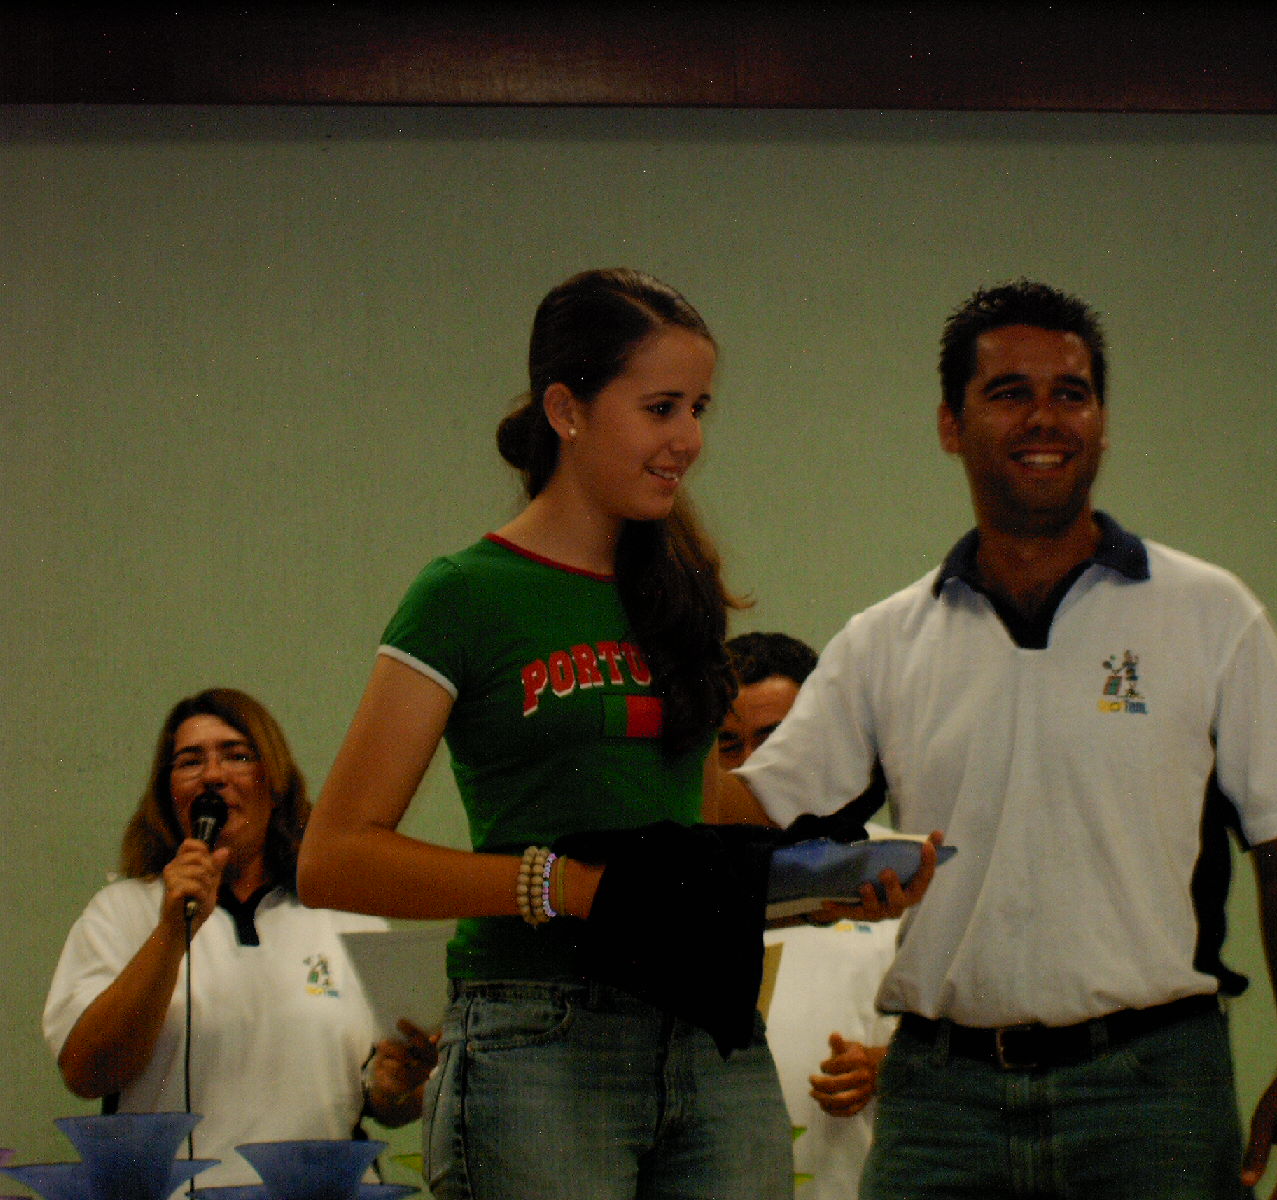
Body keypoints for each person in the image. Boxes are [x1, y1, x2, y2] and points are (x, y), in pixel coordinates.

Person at [298, 269, 928, 1200]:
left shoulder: (681, 591)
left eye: (699, 409)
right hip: (537, 1036)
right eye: (661, 408)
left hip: (712, 1032)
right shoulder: (465, 595)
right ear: (568, 410)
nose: (689, 440)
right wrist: (563, 886)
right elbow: (334, 858)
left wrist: (817, 884)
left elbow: (697, 810)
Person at [714, 281, 1277, 1200]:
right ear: (951, 423)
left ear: (1102, 422)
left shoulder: (1210, 614)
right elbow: (745, 811)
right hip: (941, 1105)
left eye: (1071, 393)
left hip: (1154, 1095)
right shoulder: (886, 641)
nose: (1045, 418)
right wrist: (635, 699)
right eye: (1010, 392)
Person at [43, 688, 435, 1188]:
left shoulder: (344, 918)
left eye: (237, 756)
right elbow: (86, 1074)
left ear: (274, 783)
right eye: (190, 761)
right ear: (169, 794)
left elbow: (386, 1100)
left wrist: (398, 1087)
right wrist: (171, 931)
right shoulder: (120, 912)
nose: (213, 775)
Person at [724, 632, 898, 1200]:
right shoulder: (676, 889)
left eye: (775, 740)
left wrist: (887, 1066)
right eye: (728, 744)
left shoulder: (899, 872)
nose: (752, 766)